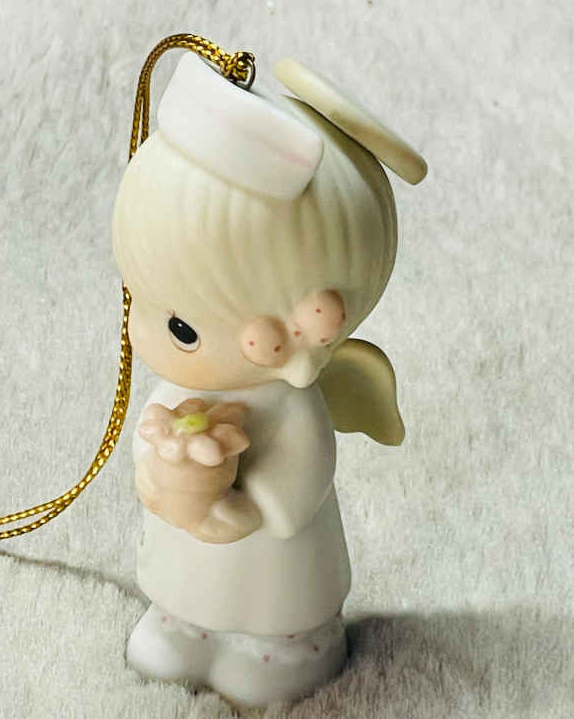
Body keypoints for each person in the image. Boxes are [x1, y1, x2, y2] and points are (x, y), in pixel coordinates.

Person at [112, 51, 425, 707]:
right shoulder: (184, 392)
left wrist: (249, 508)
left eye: (182, 328)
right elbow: (151, 443)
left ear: (296, 328)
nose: (138, 332)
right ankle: (181, 623)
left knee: (271, 598)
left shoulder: (292, 409)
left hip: (270, 562)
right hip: (189, 552)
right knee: (183, 582)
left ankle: (286, 645)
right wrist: (161, 476)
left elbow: (301, 477)